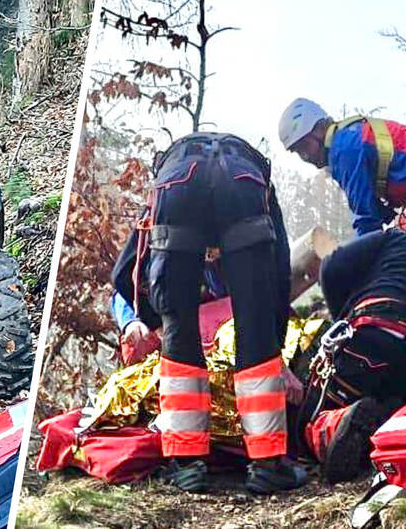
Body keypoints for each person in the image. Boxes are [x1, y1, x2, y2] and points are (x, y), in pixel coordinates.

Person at [115, 132, 306, 495]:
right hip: (243, 185)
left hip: (178, 186)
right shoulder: (256, 174)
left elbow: (125, 270)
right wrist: (273, 339)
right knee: (254, 325)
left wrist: (158, 321)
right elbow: (280, 271)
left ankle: (187, 466)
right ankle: (267, 466)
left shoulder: (168, 173)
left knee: (179, 333)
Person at [295, 228, 406, 484]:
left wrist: (344, 318)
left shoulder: (397, 239)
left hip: (377, 336)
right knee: (392, 396)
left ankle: (333, 426)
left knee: (308, 414)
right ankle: (388, 422)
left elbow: (331, 266)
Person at [279, 98, 406, 262]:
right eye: (298, 152)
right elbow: (377, 212)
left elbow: (367, 220)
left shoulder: (345, 148)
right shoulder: (343, 148)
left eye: (305, 147)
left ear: (320, 130)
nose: (305, 157)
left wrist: (356, 262)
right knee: (403, 254)